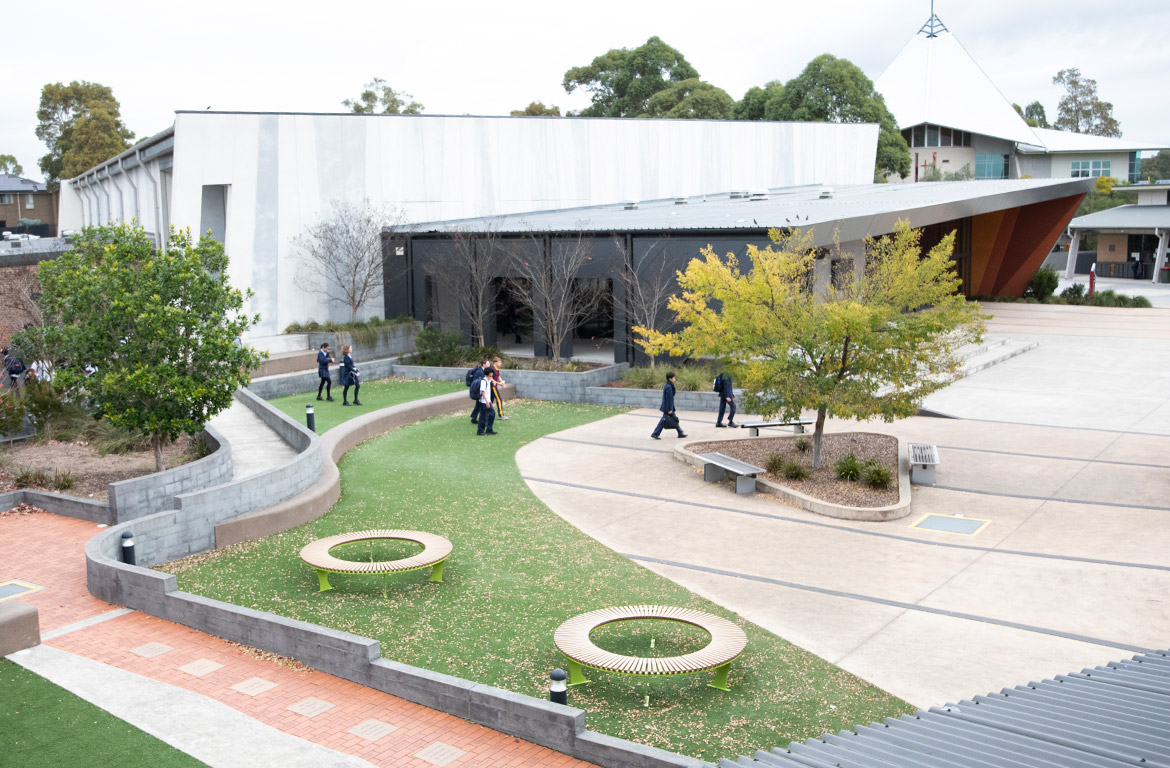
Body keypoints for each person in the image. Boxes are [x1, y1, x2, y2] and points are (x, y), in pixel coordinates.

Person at [650, 372, 687, 440]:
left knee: (674, 419)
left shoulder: (669, 385)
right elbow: (669, 399)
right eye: (674, 378)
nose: (674, 379)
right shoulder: (669, 387)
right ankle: (655, 433)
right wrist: (669, 409)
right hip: (668, 408)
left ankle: (680, 432)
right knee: (664, 420)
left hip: (669, 407)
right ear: (670, 379)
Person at [476, 367, 498, 436]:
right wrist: (486, 401)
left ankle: (489, 429)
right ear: (489, 373)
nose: (492, 373)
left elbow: (488, 392)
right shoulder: (484, 381)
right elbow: (482, 392)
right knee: (483, 416)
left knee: (492, 414)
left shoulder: (489, 381)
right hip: (484, 402)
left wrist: (489, 401)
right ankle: (480, 431)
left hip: (488, 401)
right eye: (491, 372)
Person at [469, 359, 490, 424]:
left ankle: (474, 418)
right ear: (484, 364)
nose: (489, 365)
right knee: (481, 405)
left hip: (482, 390)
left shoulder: (485, 371)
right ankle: (484, 420)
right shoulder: (479, 372)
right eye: (488, 364)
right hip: (479, 391)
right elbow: (475, 382)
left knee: (478, 405)